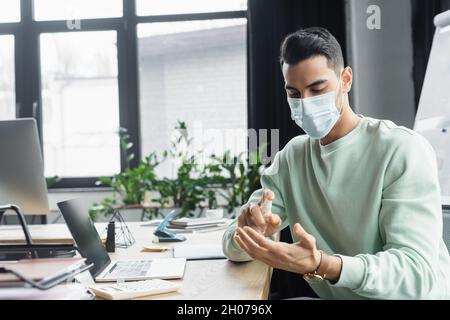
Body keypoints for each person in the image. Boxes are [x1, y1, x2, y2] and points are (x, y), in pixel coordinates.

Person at [222, 27, 450, 299]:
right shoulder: (291, 159)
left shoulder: (401, 149)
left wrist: (324, 265)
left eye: (317, 88)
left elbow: (415, 275)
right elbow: (230, 243)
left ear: (346, 79)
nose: (305, 103)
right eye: (294, 93)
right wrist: (251, 233)